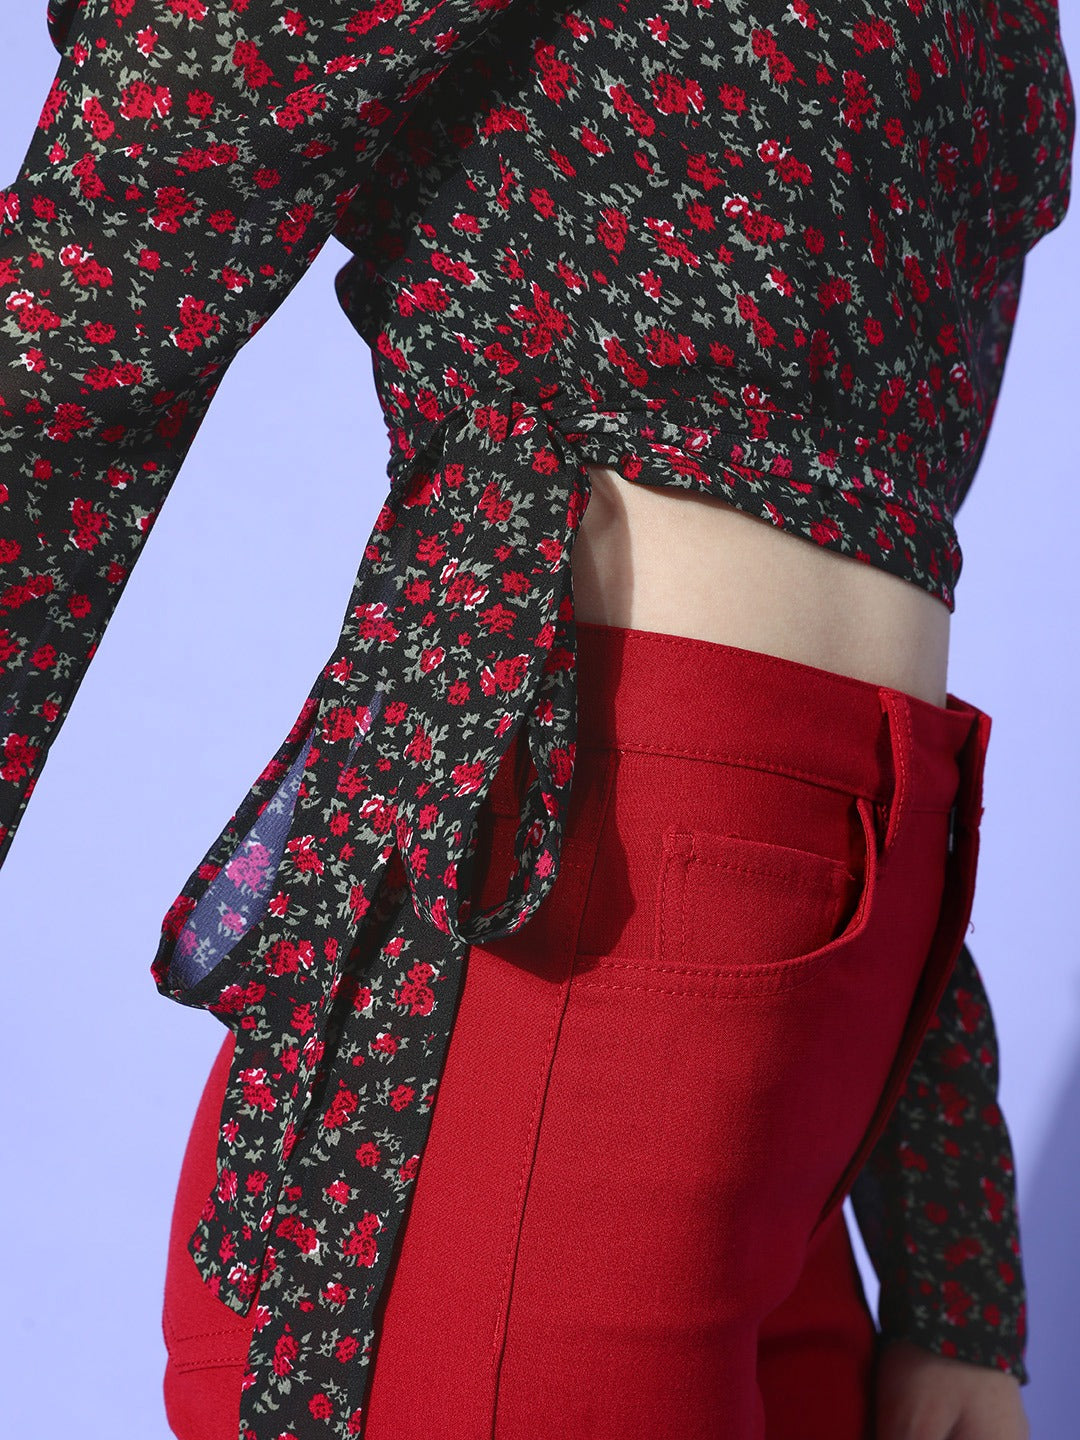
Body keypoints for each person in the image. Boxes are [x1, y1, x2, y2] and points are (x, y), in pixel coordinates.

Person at [0, 3, 1072, 1438]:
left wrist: (958, 1267)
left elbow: (870, 561)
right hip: (537, 971)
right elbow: (83, 314)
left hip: (827, 1054)